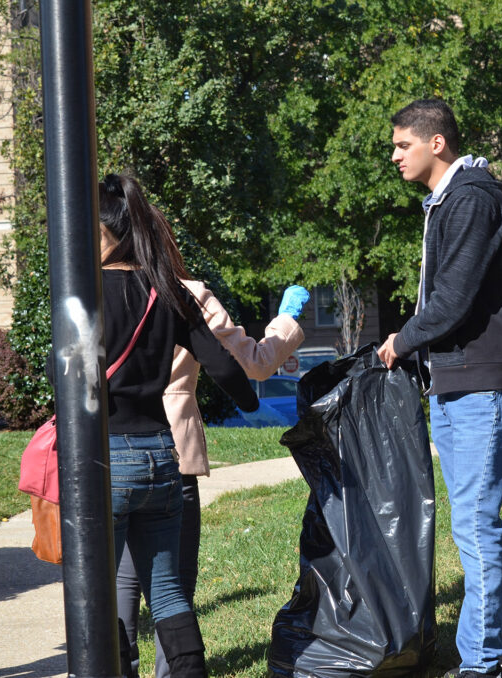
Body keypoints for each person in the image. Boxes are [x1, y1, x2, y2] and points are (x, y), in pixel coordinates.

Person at [377, 100, 502, 678]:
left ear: (436, 143)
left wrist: (403, 339)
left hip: (482, 387)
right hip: (457, 384)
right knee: (477, 524)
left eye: (402, 145)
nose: (394, 156)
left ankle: (483, 663)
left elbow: (453, 299)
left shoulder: (471, 198)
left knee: (474, 526)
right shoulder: (451, 200)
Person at [115, 209, 309, 678]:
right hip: (171, 451)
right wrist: (285, 321)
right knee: (171, 585)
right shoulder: (186, 294)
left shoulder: (91, 290)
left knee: (118, 584)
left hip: (109, 447)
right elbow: (253, 364)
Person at [95, 174, 259, 678]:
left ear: (105, 232)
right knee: (167, 591)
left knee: (101, 592)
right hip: (164, 458)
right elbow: (225, 364)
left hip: (108, 459)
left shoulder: (85, 294)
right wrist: (250, 403)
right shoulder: (168, 289)